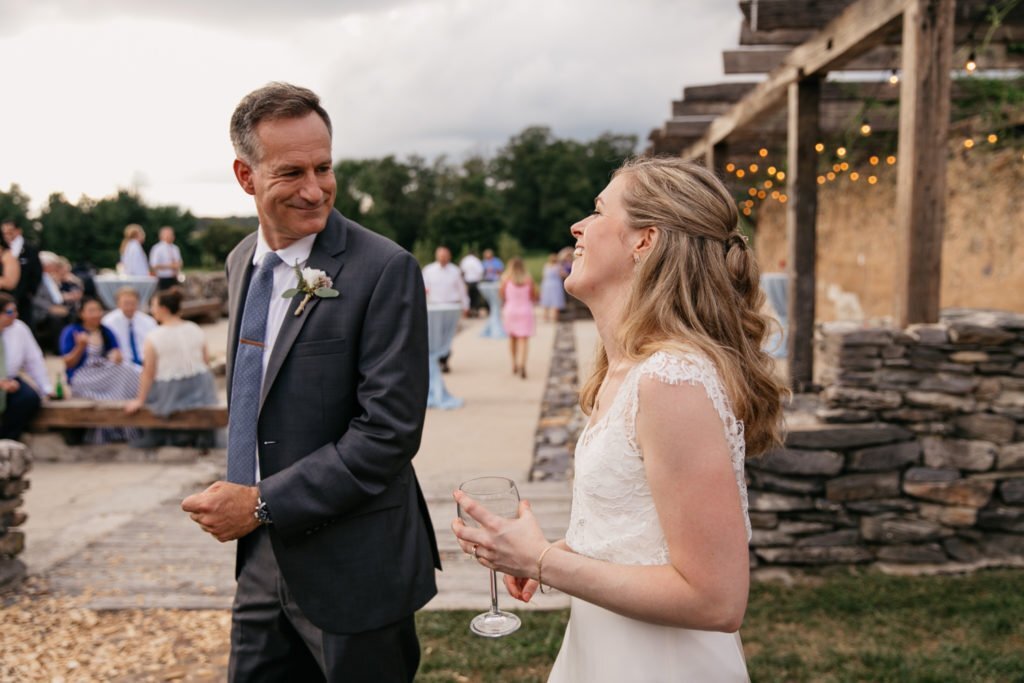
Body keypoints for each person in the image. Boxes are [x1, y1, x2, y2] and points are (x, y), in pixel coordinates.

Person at [452, 158, 787, 682]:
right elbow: (638, 534)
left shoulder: (672, 382)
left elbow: (717, 599)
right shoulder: (624, 371)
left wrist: (544, 562)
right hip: (602, 651)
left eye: (598, 211)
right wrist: (549, 551)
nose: (577, 228)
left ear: (644, 240)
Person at [180, 82, 439, 682]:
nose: (315, 188)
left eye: (325, 167)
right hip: (260, 562)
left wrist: (262, 503)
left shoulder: (385, 269)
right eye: (291, 172)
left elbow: (388, 434)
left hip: (355, 562)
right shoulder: (243, 259)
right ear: (246, 176)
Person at [125, 287, 217, 448]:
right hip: (202, 385)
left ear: (163, 309)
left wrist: (140, 400)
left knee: (151, 396)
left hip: (173, 388)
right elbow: (205, 361)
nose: (152, 310)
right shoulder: (194, 328)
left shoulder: (154, 336)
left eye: (153, 306)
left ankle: (158, 436)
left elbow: (149, 372)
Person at [59, 297, 140, 443]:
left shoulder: (106, 331)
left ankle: (125, 421)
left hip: (106, 372)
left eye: (97, 310)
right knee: (124, 372)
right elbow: (68, 363)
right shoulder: (72, 331)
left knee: (129, 371)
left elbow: (116, 353)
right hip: (83, 376)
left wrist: (116, 356)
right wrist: (80, 347)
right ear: (81, 313)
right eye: (91, 311)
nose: (96, 314)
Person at [0, 292, 52, 440]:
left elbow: (34, 360)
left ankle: (7, 439)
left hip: (10, 378)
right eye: (9, 312)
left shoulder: (20, 329)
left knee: (29, 398)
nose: (15, 315)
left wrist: (46, 388)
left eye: (16, 310)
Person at [422, 245, 468, 373]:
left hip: (451, 306)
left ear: (449, 257)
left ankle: (444, 358)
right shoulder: (429, 270)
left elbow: (461, 289)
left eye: (445, 256)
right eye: (440, 255)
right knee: (435, 335)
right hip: (435, 307)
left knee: (448, 334)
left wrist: (465, 305)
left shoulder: (455, 271)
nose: (442, 258)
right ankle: (436, 359)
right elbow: (423, 289)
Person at [102, 287, 158, 372]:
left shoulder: (149, 321)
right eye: (126, 303)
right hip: (120, 366)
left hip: (146, 363)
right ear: (118, 304)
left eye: (133, 303)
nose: (129, 307)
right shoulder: (108, 322)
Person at [499, 257, 537, 379]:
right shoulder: (528, 280)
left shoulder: (506, 280)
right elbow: (533, 296)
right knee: (523, 340)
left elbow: (502, 295)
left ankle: (514, 363)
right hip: (525, 311)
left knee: (512, 338)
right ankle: (522, 364)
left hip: (510, 310)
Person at [2, 220, 42, 331]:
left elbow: (37, 273)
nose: (7, 235)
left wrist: (30, 292)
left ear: (18, 231)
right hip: (6, 297)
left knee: (25, 326)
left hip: (24, 297)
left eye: (10, 232)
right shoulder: (4, 249)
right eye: (4, 232)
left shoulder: (30, 249)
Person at [31, 251, 74, 353]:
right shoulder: (37, 279)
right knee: (56, 319)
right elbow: (35, 298)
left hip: (55, 307)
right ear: (46, 265)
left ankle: (69, 344)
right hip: (41, 311)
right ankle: (58, 349)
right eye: (54, 265)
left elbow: (55, 296)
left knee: (72, 314)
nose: (56, 268)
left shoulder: (50, 278)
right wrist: (50, 308)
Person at [149, 226, 184, 291]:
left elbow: (180, 262)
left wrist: (178, 265)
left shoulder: (175, 248)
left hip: (175, 278)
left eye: (171, 234)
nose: (170, 236)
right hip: (163, 278)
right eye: (168, 234)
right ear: (161, 236)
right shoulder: (157, 248)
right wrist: (171, 266)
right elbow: (154, 265)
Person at [539, 252, 567, 323]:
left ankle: (545, 318)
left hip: (546, 285)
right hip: (555, 285)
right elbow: (563, 274)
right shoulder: (558, 266)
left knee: (546, 301)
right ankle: (554, 319)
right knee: (555, 302)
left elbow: (543, 276)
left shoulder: (546, 266)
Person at [459, 249, 485, 316]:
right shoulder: (476, 260)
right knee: (475, 297)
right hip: (475, 281)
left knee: (467, 297)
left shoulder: (465, 260)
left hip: (467, 281)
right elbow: (481, 271)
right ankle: (475, 311)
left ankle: (468, 311)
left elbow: (462, 271)